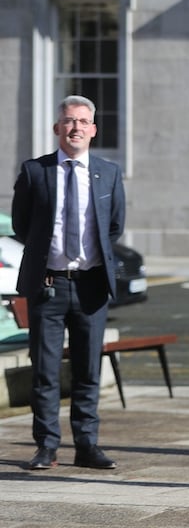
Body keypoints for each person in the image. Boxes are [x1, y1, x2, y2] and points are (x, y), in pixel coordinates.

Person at [12, 95, 125, 471]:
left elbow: (114, 226)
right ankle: (46, 445)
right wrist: (47, 259)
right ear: (57, 128)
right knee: (44, 370)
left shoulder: (108, 172)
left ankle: (87, 444)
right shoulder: (34, 171)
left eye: (82, 121)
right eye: (69, 121)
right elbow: (22, 225)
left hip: (91, 285)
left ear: (93, 129)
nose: (75, 127)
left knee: (88, 368)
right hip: (49, 285)